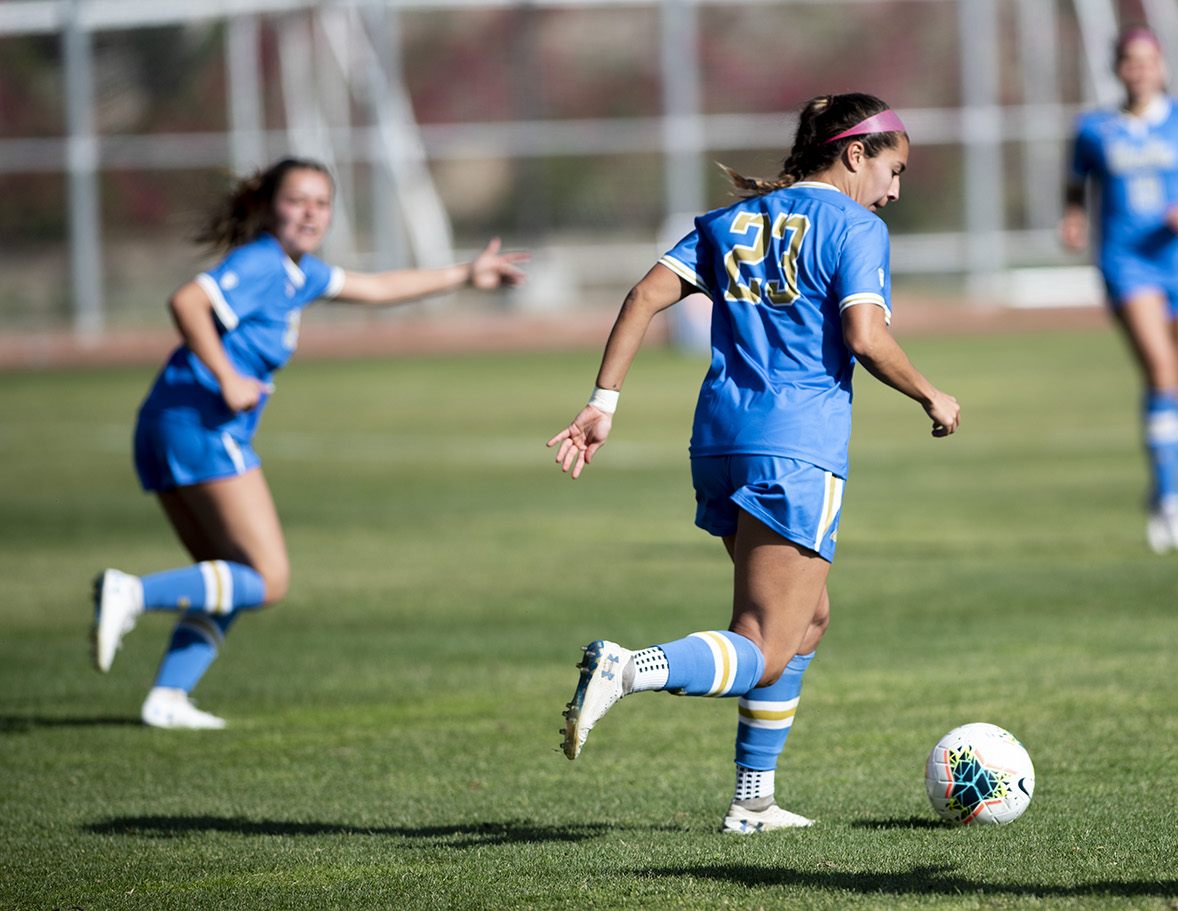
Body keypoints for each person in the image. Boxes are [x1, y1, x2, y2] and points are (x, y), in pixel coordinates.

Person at [546, 93, 960, 833]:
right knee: (766, 645)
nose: (894, 191)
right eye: (893, 170)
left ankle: (753, 801)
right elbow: (864, 337)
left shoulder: (731, 220)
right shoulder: (854, 224)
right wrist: (932, 393)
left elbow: (644, 295)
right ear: (855, 153)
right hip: (795, 445)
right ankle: (627, 667)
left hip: (720, 440)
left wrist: (602, 401)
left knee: (805, 621)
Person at [92, 156, 528, 728]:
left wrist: (463, 275)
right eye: (298, 200)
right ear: (269, 205)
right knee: (267, 579)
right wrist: (227, 377)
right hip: (201, 423)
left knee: (228, 576)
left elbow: (375, 287)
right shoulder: (264, 262)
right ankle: (133, 594)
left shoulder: (300, 272)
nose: (311, 213)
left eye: (321, 203)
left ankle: (168, 697)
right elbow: (187, 302)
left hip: (171, 422)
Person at [1060, 26, 1178, 554]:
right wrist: (1073, 217)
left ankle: (1164, 484)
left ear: (1162, 66)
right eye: (1128, 61)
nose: (1138, 69)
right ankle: (1170, 499)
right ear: (1117, 69)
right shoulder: (1094, 128)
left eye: (1147, 61)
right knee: (1161, 372)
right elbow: (1076, 184)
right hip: (1127, 261)